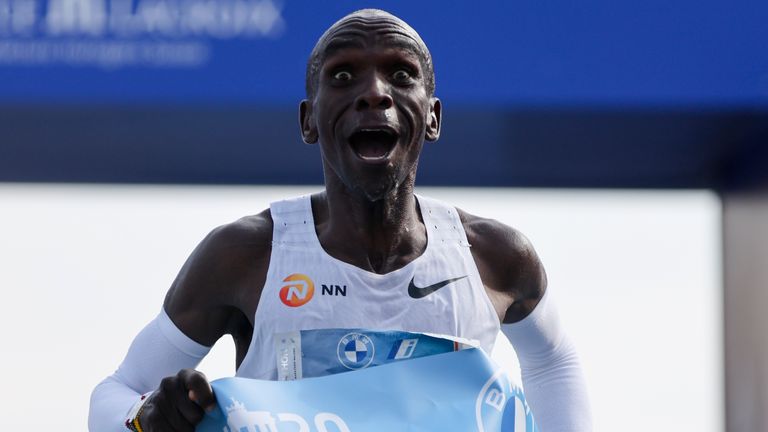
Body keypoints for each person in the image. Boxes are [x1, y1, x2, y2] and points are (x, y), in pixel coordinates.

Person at [89, 8, 591, 432]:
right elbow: (116, 393)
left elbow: (554, 361)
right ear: (309, 120)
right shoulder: (246, 255)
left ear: (432, 117)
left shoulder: (496, 258)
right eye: (343, 76)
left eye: (400, 74)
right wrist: (144, 416)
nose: (374, 93)